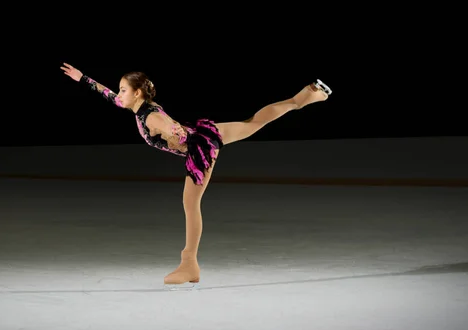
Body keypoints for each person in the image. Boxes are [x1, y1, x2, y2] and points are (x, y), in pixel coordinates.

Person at [60, 62, 332, 286]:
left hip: (199, 148)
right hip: (204, 133)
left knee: (190, 204)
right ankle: (304, 98)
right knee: (253, 122)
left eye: (123, 90)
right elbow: (108, 95)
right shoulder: (135, 107)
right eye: (119, 89)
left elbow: (166, 126)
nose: (118, 94)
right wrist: (82, 78)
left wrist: (173, 131)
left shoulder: (150, 117)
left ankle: (189, 264)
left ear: (138, 94)